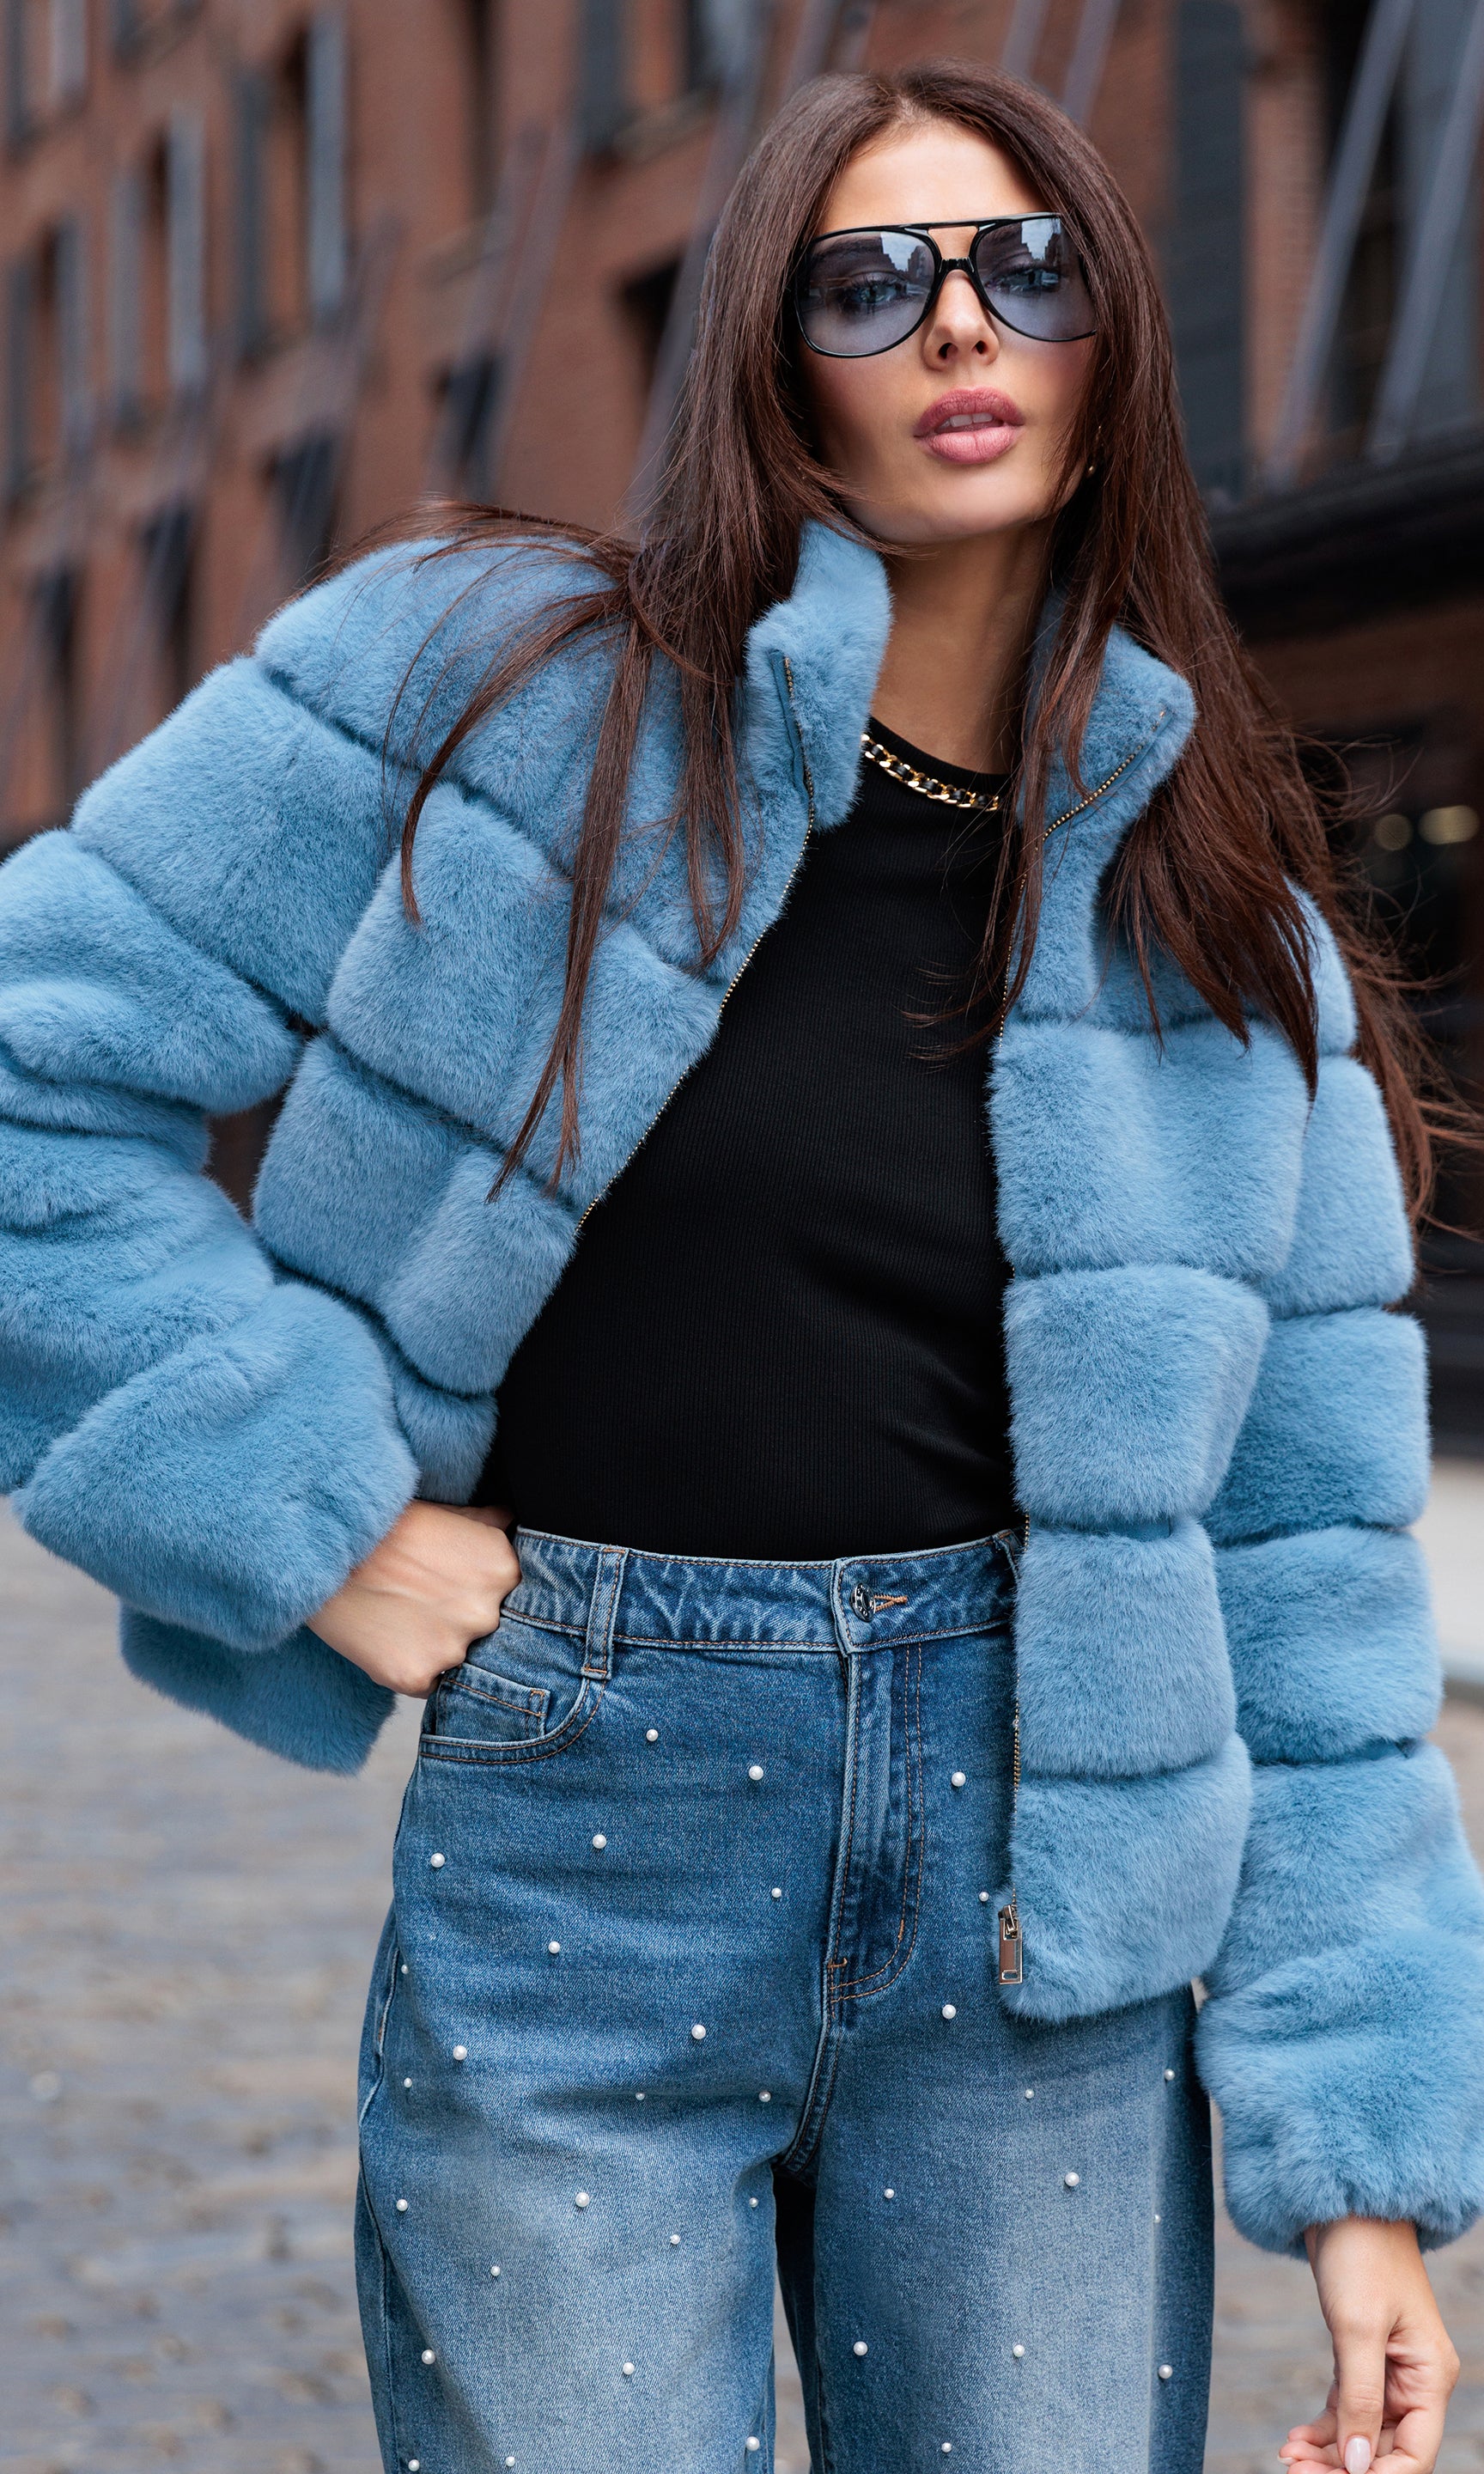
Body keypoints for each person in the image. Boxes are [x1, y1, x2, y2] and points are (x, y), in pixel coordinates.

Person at [1, 56, 1479, 2474]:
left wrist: (1367, 2191)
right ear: (769, 363)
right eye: (871, 278)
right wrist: (315, 1521)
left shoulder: (1233, 944)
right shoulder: (489, 686)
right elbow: (28, 1066)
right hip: (591, 1833)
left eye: (1031, 267)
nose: (959, 328)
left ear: (1118, 353)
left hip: (1052, 1914)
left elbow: (1306, 1596)